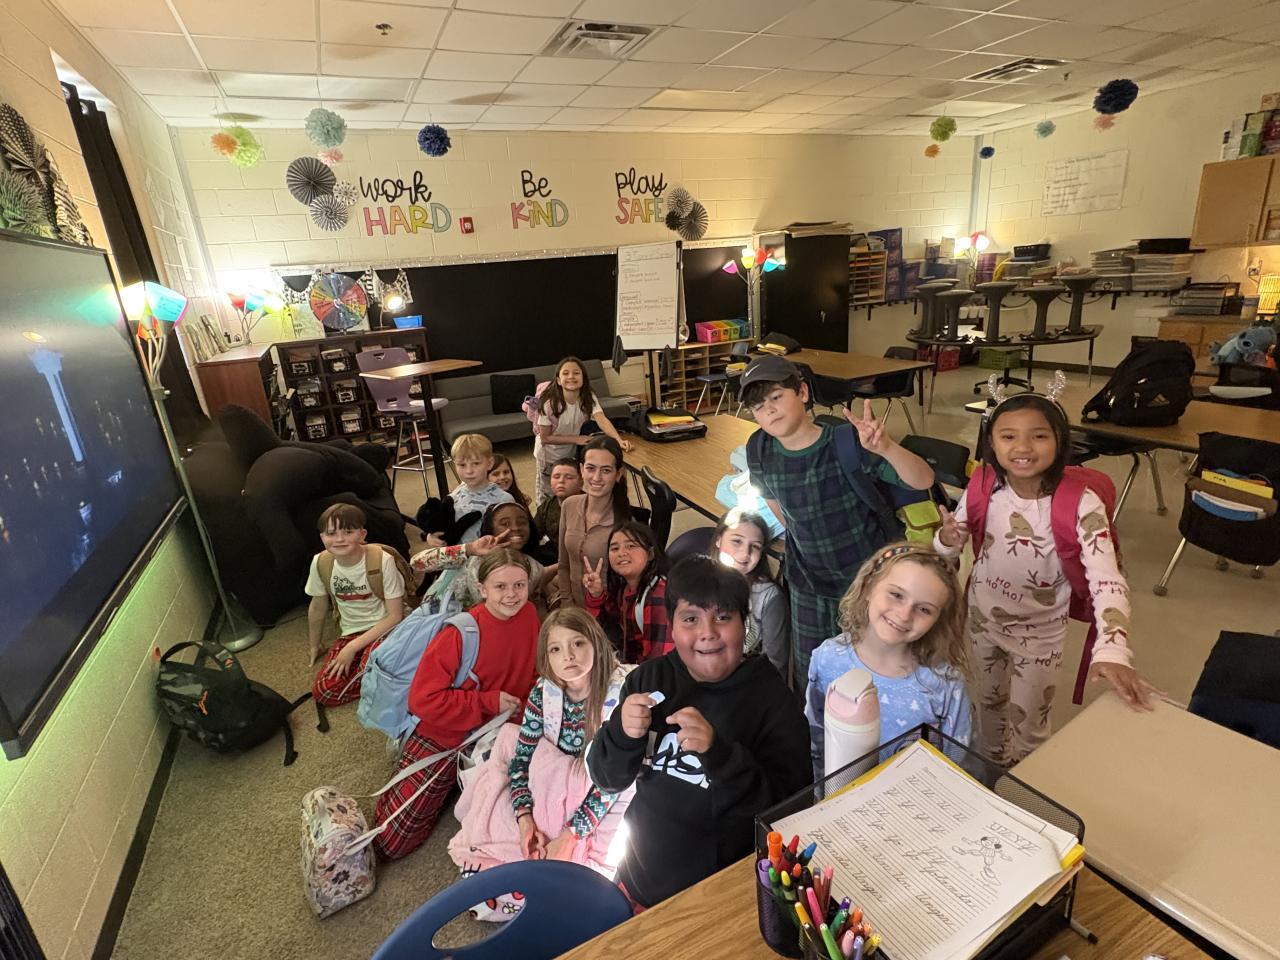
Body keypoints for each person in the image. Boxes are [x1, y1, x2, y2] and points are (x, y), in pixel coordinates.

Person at [935, 391, 1157, 766]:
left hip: (1040, 636)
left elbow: (1108, 581)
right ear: (991, 443)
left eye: (1038, 435)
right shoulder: (983, 484)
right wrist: (945, 540)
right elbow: (948, 550)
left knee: (1031, 725)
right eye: (1008, 436)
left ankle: (1026, 778)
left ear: (1060, 441)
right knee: (986, 706)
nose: (1023, 447)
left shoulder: (1082, 503)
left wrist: (1113, 649)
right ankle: (993, 766)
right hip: (981, 621)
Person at [586, 555, 811, 911]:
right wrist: (622, 733)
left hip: (724, 893)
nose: (708, 632)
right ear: (672, 627)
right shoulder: (648, 679)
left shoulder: (773, 700)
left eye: (723, 617)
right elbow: (607, 778)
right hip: (638, 878)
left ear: (744, 625)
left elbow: (789, 812)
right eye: (691, 619)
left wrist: (720, 756)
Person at [740, 354, 935, 687]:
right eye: (758, 406)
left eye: (776, 397)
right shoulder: (759, 448)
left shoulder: (847, 443)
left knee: (870, 672)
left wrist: (886, 448)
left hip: (867, 580)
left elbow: (923, 480)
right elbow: (777, 505)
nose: (768, 410)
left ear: (802, 392)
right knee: (812, 673)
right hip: (808, 583)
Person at [448, 609, 634, 920]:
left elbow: (616, 777)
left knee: (606, 850)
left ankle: (532, 884)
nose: (568, 656)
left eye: (578, 644)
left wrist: (571, 834)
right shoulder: (543, 693)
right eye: (556, 649)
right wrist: (524, 818)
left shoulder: (620, 694)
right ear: (546, 657)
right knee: (499, 810)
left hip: (598, 783)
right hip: (550, 777)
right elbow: (521, 760)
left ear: (596, 644)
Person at [373, 550, 539, 860]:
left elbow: (531, 672)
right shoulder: (460, 632)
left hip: (497, 728)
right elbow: (423, 700)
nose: (512, 594)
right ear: (482, 589)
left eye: (519, 585)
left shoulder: (529, 614)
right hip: (446, 733)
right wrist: (488, 701)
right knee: (391, 844)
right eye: (500, 586)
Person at [805, 542, 970, 780]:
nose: (904, 614)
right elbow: (815, 736)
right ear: (869, 587)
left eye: (924, 609)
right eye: (896, 595)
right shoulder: (827, 659)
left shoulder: (946, 685)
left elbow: (956, 768)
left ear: (938, 619)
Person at [305, 503, 404, 707]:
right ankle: (385, 682)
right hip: (350, 632)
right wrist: (315, 644)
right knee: (324, 691)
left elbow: (395, 616)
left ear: (362, 534)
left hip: (385, 629)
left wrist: (351, 648)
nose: (339, 539)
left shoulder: (382, 560)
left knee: (372, 665)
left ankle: (385, 678)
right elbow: (317, 607)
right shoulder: (320, 562)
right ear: (322, 537)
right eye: (331, 533)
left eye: (348, 532)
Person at [412, 502, 550, 610]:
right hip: (449, 625)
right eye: (505, 523)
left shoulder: (534, 567)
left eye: (522, 522)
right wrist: (469, 549)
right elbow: (417, 563)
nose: (515, 528)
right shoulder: (474, 556)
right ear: (491, 528)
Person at [533, 356, 631, 506]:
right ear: (558, 380)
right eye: (565, 373)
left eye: (576, 373)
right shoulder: (549, 403)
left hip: (571, 452)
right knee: (548, 494)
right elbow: (545, 438)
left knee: (571, 489)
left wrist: (618, 440)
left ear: (583, 378)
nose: (571, 377)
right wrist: (576, 439)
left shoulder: (588, 397)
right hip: (548, 456)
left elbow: (601, 419)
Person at [711, 509, 789, 677]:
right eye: (737, 541)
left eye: (755, 546)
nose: (745, 553)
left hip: (749, 683)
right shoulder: (698, 582)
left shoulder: (769, 597)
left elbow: (775, 665)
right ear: (718, 539)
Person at [558, 436, 632, 608]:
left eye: (606, 470)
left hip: (607, 610)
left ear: (618, 474)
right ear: (581, 470)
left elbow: (628, 584)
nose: (596, 477)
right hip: (572, 608)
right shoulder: (569, 505)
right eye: (590, 468)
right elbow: (563, 564)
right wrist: (567, 605)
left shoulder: (625, 523)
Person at [584, 521, 669, 663]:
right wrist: (596, 594)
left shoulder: (658, 596)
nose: (621, 553)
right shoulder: (625, 589)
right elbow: (608, 626)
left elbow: (658, 662)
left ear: (650, 554)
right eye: (614, 548)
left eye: (631, 546)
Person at [449, 433, 514, 543]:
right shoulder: (453, 497)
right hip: (460, 552)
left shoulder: (504, 500)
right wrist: (432, 537)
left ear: (490, 463)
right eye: (462, 465)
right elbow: (443, 527)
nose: (469, 471)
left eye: (476, 463)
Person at [534, 457, 581, 566]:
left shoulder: (589, 505)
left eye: (569, 477)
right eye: (556, 477)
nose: (561, 481)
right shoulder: (547, 506)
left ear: (581, 482)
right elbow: (534, 535)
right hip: (556, 554)